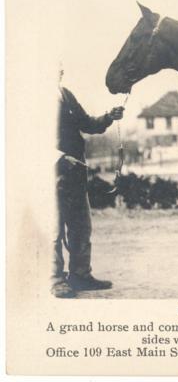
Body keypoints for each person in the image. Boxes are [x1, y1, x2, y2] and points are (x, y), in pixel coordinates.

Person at [52, 75, 124, 298]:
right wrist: (59, 157)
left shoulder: (65, 94)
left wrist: (108, 118)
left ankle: (81, 275)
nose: (60, 71)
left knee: (81, 225)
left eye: (61, 67)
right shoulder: (32, 96)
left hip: (74, 172)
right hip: (49, 173)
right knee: (53, 228)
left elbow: (86, 123)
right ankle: (54, 280)